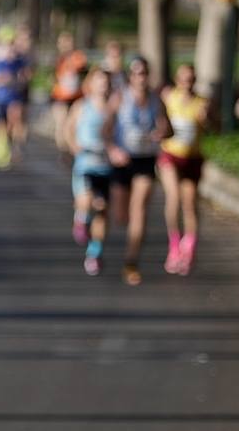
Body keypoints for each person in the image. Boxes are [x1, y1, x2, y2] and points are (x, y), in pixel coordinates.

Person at [107, 56, 164, 286]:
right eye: (137, 73)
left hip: (146, 159)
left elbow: (166, 126)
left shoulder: (156, 100)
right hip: (123, 159)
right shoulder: (120, 97)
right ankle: (128, 231)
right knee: (122, 217)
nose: (141, 77)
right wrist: (112, 150)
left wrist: (161, 133)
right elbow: (106, 129)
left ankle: (131, 262)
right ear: (130, 76)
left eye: (144, 73)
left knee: (139, 211)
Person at [157, 63, 212, 276]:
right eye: (183, 79)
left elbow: (216, 127)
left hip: (193, 158)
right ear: (177, 79)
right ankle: (173, 245)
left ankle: (188, 247)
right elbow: (159, 119)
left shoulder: (202, 103)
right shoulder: (168, 97)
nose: (187, 83)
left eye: (191, 79)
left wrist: (207, 120)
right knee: (173, 197)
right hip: (170, 155)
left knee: (190, 203)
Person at [68, 68, 116, 276]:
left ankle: (94, 252)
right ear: (91, 83)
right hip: (85, 163)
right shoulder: (82, 106)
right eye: (99, 81)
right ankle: (81, 219)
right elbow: (68, 129)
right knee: (87, 201)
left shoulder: (114, 109)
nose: (103, 85)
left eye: (106, 82)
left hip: (106, 165)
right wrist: (74, 146)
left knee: (103, 210)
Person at [0, 25, 32, 170]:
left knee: (15, 119)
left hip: (14, 95)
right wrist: (0, 79)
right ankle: (0, 145)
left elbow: (27, 76)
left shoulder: (20, 59)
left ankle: (10, 145)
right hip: (0, 96)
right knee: (1, 125)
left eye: (11, 42)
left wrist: (17, 80)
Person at [48, 31, 88, 162]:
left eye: (69, 42)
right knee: (61, 123)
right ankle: (64, 150)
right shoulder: (56, 58)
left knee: (74, 124)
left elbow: (84, 73)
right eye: (63, 42)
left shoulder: (79, 57)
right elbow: (51, 77)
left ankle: (72, 147)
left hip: (76, 96)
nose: (66, 45)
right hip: (59, 96)